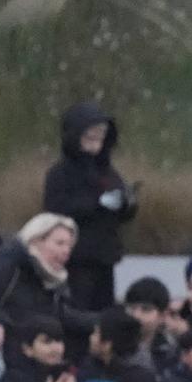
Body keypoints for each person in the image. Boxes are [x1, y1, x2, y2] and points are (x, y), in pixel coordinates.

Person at [42, 102, 136, 310]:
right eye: (90, 136)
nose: (96, 142)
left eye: (100, 136)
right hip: (76, 258)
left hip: (105, 256)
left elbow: (121, 212)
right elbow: (56, 210)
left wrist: (127, 203)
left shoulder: (107, 170)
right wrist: (97, 204)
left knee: (103, 312)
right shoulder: (60, 173)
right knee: (77, 310)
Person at [0, 213, 93, 354]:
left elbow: (61, 315)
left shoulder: (56, 279)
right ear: (35, 241)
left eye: (69, 246)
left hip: (36, 355)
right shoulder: (8, 264)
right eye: (59, 243)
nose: (66, 251)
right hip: (0, 351)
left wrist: (103, 322)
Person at [122, 277, 178, 373]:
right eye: (132, 308)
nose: (136, 315)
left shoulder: (171, 352)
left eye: (146, 309)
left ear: (162, 316)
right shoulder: (113, 347)